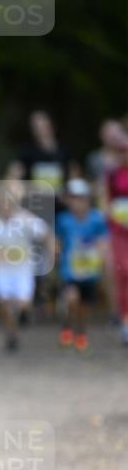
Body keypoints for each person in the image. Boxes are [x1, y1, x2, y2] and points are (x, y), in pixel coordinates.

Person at [0, 180, 52, 350]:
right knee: (5, 302)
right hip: (2, 270)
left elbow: (45, 233)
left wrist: (49, 253)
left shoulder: (25, 219)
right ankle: (11, 334)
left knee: (22, 302)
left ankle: (23, 314)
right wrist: (3, 254)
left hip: (23, 269)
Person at [56, 179, 108, 351]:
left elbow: (103, 240)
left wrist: (101, 255)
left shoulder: (96, 219)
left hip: (89, 270)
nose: (77, 202)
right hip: (69, 270)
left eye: (81, 198)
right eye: (73, 198)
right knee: (72, 299)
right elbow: (57, 241)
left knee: (85, 305)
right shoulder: (63, 220)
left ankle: (81, 332)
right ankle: (67, 326)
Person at [105, 138, 128, 344]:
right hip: (118, 232)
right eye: (121, 152)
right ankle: (125, 320)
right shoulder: (112, 175)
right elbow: (106, 201)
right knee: (122, 272)